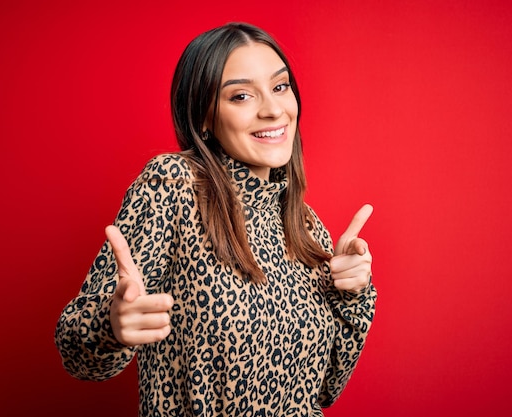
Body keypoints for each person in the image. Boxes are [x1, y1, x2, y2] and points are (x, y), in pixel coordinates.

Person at [55, 22, 377, 416]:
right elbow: (77, 354)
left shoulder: (305, 226)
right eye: (241, 95)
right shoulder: (174, 185)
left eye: (280, 87)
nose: (273, 109)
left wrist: (352, 295)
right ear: (204, 116)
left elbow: (325, 389)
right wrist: (111, 325)